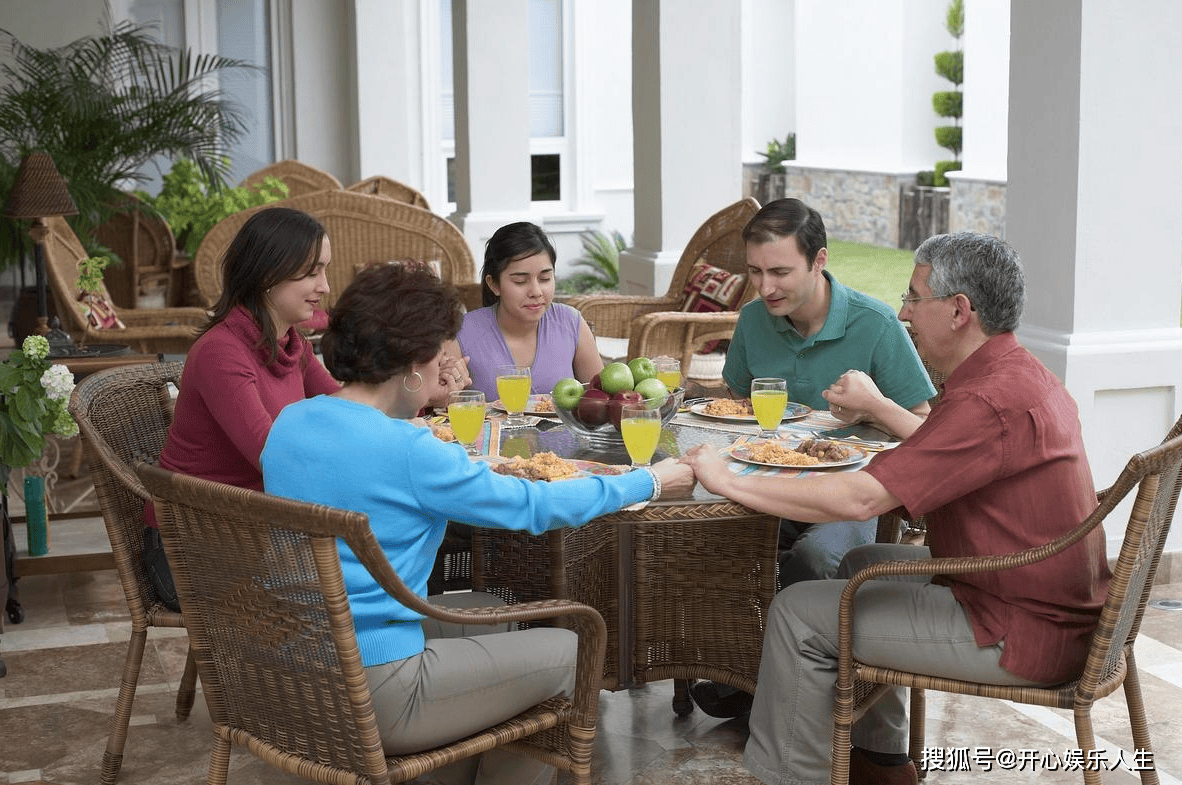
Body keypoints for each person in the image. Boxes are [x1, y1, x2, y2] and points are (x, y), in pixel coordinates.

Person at [683, 232, 1110, 785]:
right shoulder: (1018, 374)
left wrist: (725, 478)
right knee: (861, 566)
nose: (904, 312)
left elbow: (862, 497)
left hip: (1024, 630)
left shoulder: (986, 399)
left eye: (914, 297)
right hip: (1046, 600)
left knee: (797, 614)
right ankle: (883, 763)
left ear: (959, 311)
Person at [260, 263, 694, 785]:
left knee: (497, 611)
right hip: (375, 686)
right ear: (415, 363)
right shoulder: (411, 451)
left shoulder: (292, 421)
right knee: (571, 650)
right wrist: (647, 481)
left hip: (289, 667)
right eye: (446, 353)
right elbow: (533, 505)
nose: (455, 363)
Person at [143, 206, 470, 610]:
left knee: (414, 528)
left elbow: (356, 413)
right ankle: (379, 659)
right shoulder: (221, 353)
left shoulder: (290, 345)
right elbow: (274, 461)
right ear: (267, 274)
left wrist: (420, 394)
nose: (325, 286)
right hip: (197, 547)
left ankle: (399, 649)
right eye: (312, 272)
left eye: (325, 271)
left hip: (268, 525)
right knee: (395, 530)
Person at [690, 197, 936, 718]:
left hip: (855, 498)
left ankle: (785, 690)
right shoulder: (755, 321)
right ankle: (742, 668)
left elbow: (927, 434)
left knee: (818, 558)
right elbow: (733, 406)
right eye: (755, 272)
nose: (765, 287)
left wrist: (874, 405)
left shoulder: (874, 325)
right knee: (706, 537)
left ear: (819, 261)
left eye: (780, 271)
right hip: (769, 486)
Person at [458, 221, 602, 400]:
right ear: (494, 284)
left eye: (545, 278)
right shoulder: (461, 333)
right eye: (520, 281)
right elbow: (439, 409)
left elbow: (601, 400)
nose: (536, 292)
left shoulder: (571, 322)